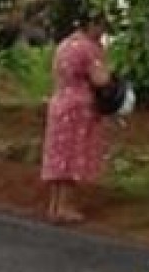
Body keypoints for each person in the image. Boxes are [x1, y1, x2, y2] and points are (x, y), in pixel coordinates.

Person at [42, 12, 113, 225]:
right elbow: (100, 80)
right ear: (92, 25)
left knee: (59, 155)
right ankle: (65, 207)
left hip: (59, 101)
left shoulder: (65, 44)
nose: (102, 33)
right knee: (73, 156)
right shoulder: (89, 49)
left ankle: (54, 205)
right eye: (101, 27)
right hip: (79, 107)